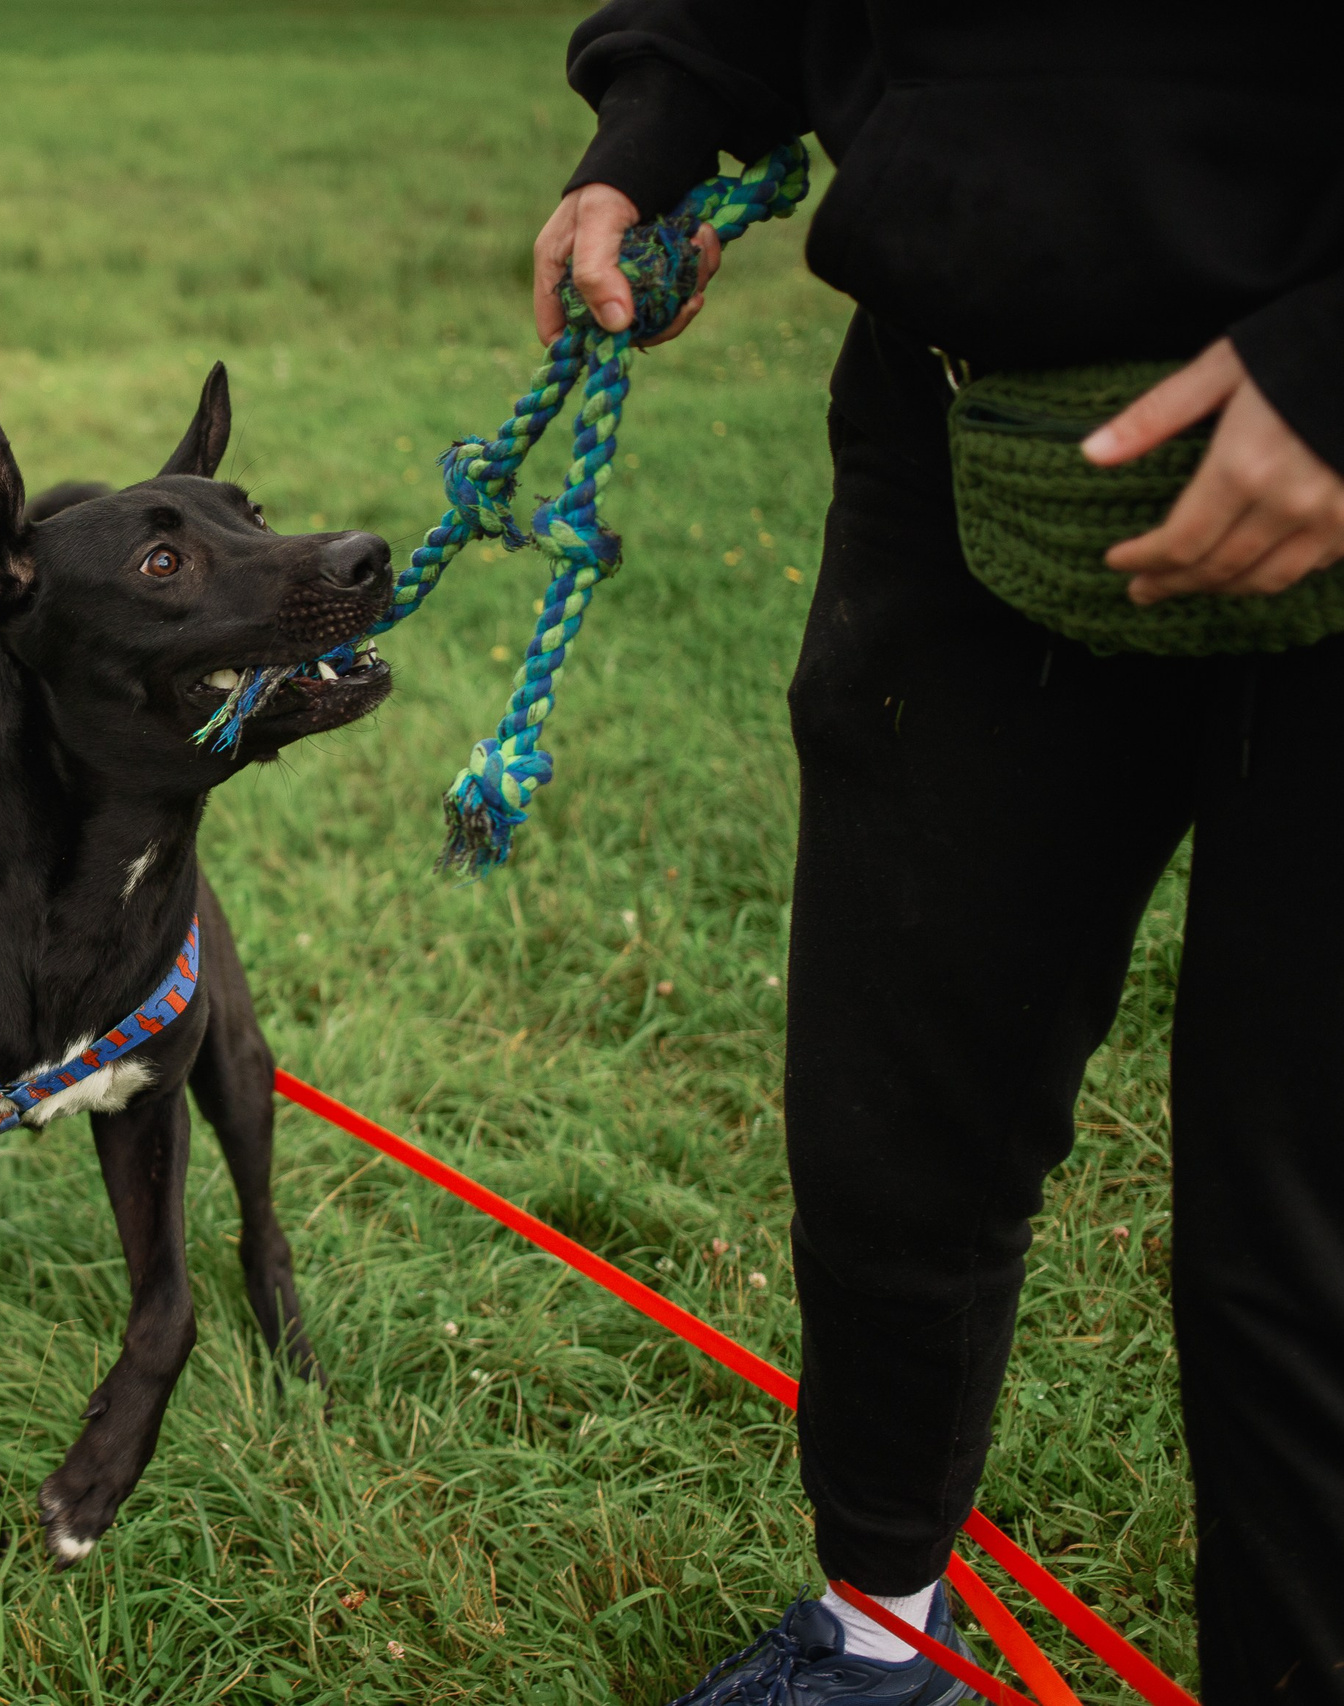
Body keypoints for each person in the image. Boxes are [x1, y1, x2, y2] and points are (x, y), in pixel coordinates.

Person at [537, 5, 1344, 1703]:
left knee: (1300, 1231)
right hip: (954, 431)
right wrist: (651, 137)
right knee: (890, 1114)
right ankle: (880, 1633)